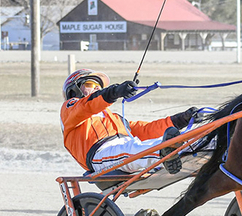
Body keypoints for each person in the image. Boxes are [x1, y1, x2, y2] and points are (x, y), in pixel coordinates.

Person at [60, 69, 199, 175]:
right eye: (91, 84)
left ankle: (202, 147)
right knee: (134, 150)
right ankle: (164, 151)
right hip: (100, 154)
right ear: (74, 90)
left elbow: (146, 130)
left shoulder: (115, 118)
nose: (97, 87)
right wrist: (114, 92)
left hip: (127, 147)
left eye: (99, 86)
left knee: (178, 142)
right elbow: (85, 106)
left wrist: (181, 119)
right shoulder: (70, 109)